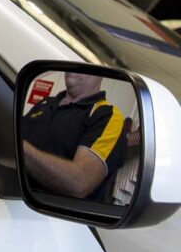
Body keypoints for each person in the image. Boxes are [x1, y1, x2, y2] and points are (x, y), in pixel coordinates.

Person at [21, 72, 127, 200]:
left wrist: (20, 148)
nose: (73, 68)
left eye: (83, 63)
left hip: (49, 215)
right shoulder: (45, 103)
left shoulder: (107, 115)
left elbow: (80, 183)